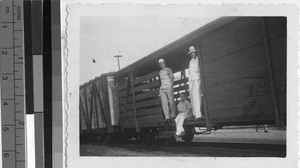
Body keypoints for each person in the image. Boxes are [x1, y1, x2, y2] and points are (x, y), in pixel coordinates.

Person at [187, 46, 202, 119]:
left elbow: (199, 70)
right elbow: (190, 71)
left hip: (196, 79)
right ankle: (194, 113)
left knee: (197, 96)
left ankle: (198, 114)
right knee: (192, 96)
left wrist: (198, 79)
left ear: (195, 52)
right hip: (191, 80)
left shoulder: (198, 59)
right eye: (190, 53)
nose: (192, 54)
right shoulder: (191, 61)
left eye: (193, 52)